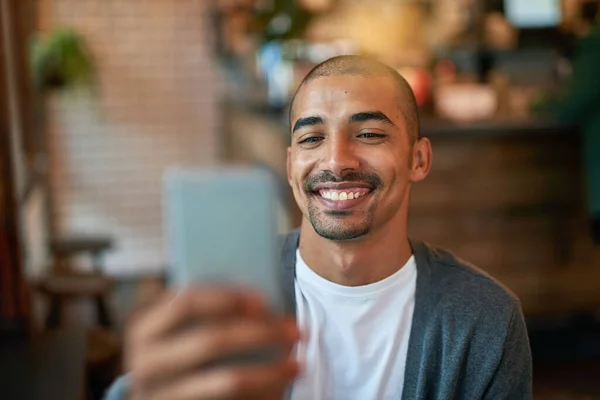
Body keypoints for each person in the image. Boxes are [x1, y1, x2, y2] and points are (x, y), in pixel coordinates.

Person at [104, 56, 532, 400]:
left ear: (418, 159)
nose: (336, 160)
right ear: (291, 166)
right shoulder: (223, 299)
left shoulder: (484, 319)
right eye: (312, 139)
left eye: (368, 133)